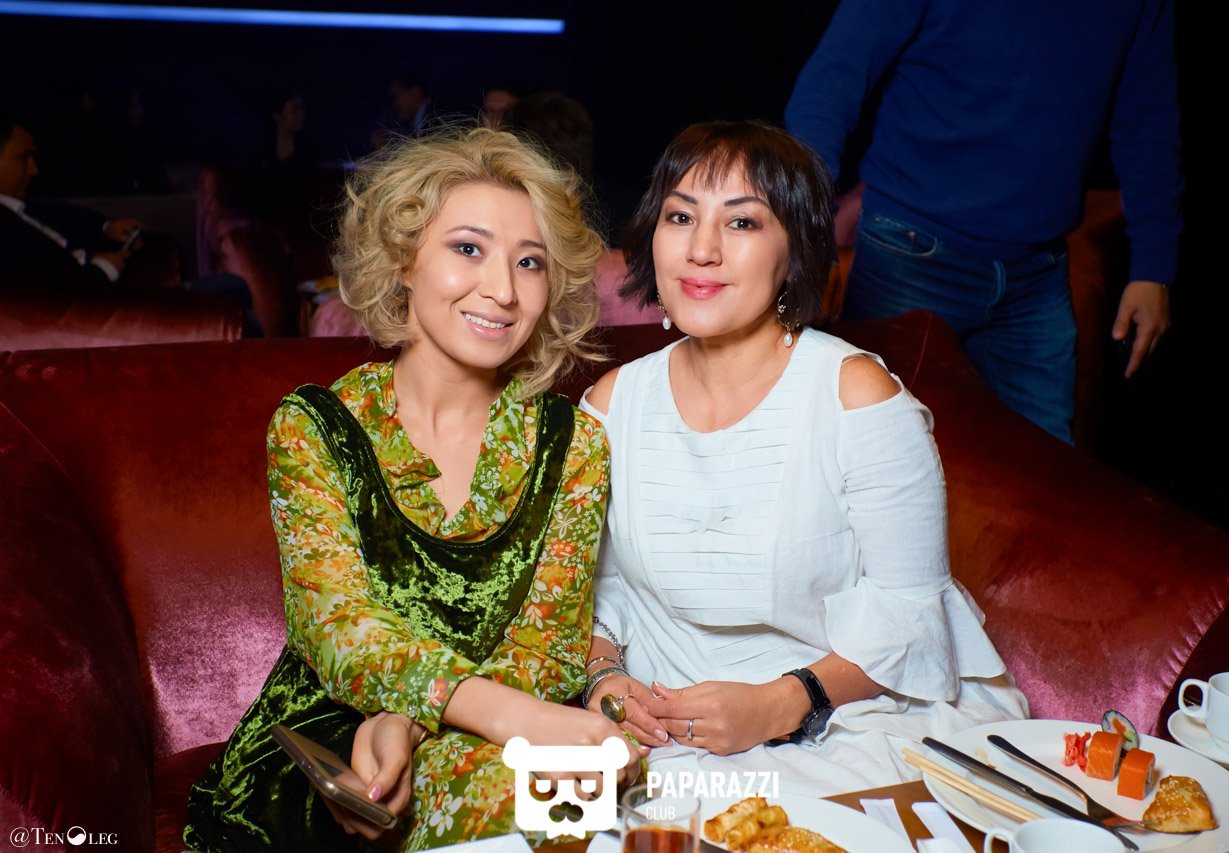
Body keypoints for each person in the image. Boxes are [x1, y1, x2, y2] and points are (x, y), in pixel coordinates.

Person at [354, 121, 1027, 803]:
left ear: (794, 251)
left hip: (847, 723)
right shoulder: (611, 405)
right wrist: (607, 680)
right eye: (680, 217)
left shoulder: (857, 395)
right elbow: (593, 597)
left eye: (742, 222)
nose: (702, 249)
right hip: (663, 737)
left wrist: (782, 702)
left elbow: (911, 614)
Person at [184, 126, 642, 852]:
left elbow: (549, 645)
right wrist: (495, 717)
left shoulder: (573, 442)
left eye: (529, 262)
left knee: (579, 803)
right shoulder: (317, 425)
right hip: (334, 745)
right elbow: (337, 627)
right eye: (469, 249)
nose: (503, 290)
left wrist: (415, 717)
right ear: (403, 260)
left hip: (490, 732)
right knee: (551, 803)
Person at [784, 0, 1182, 444]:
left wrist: (1153, 267)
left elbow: (1149, 124)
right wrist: (809, 234)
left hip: (1037, 274)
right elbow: (831, 83)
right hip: (909, 255)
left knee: (1043, 470)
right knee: (867, 452)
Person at [0, 116, 141, 286]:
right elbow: (46, 286)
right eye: (24, 157)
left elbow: (66, 216)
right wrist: (103, 269)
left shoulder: (23, 208)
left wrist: (107, 228)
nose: (33, 170)